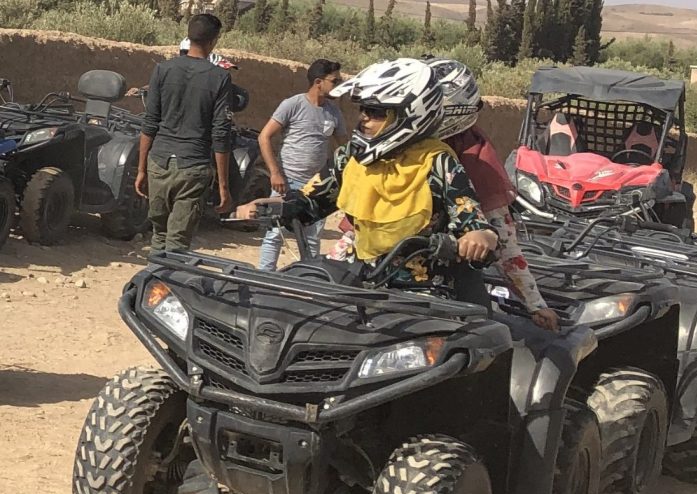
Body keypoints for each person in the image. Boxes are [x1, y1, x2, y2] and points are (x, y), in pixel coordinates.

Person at [238, 58, 498, 307]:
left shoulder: (437, 162)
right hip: (358, 281)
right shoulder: (352, 157)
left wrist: (479, 236)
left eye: (375, 112)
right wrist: (271, 205)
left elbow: (469, 216)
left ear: (410, 114)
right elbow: (312, 200)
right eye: (363, 109)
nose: (363, 117)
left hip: (421, 295)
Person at [136, 13, 233, 254]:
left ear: (189, 37)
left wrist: (141, 170)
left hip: (158, 164)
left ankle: (153, 286)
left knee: (158, 235)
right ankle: (167, 288)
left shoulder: (163, 70)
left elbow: (150, 123)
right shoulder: (220, 78)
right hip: (193, 167)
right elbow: (221, 134)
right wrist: (223, 186)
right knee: (178, 243)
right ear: (214, 41)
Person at [257, 59, 348, 270]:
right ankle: (264, 277)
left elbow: (344, 148)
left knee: (312, 238)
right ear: (318, 82)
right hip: (286, 183)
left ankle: (310, 278)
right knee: (275, 233)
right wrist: (275, 173)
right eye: (335, 80)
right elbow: (264, 137)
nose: (339, 85)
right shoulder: (293, 105)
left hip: (316, 187)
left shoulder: (334, 113)